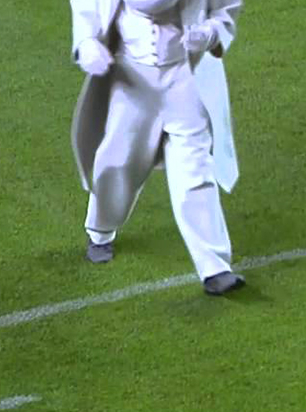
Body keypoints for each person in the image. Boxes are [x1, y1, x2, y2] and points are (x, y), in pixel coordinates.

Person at [70, 0, 246, 295]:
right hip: (130, 78)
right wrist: (87, 42)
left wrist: (211, 32)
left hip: (185, 75)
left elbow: (225, 7)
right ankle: (100, 231)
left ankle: (214, 267)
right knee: (117, 163)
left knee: (195, 169)